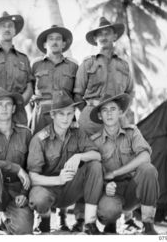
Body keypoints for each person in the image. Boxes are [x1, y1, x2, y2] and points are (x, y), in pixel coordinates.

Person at [27, 90, 103, 234]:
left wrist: (79, 157)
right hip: (49, 190)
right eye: (61, 114)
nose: (66, 118)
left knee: (95, 165)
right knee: (38, 197)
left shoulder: (78, 133)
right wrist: (59, 179)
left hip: (71, 190)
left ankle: (90, 223)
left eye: (69, 113)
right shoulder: (39, 139)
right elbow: (32, 177)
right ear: (52, 115)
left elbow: (97, 155)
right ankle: (45, 220)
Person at [89, 93, 159, 235]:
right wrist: (104, 185)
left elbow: (145, 156)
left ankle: (148, 225)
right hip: (109, 192)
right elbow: (91, 174)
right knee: (108, 210)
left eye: (113, 109)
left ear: (120, 112)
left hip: (132, 189)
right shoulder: (94, 142)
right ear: (100, 116)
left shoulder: (132, 132)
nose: (109, 114)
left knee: (148, 170)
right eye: (104, 110)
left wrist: (115, 173)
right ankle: (110, 224)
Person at [30, 25, 78, 231]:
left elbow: (77, 96)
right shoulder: (35, 65)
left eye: (59, 39)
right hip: (41, 115)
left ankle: (63, 217)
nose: (55, 42)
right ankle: (43, 217)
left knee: (64, 161)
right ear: (45, 43)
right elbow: (29, 92)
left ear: (64, 43)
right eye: (51, 39)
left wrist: (74, 119)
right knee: (40, 162)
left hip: (65, 114)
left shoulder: (73, 67)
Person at [0, 88, 33, 235]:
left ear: (14, 109)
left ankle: (6, 223)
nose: (4, 108)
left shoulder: (26, 134)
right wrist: (15, 168)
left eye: (8, 104)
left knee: (23, 230)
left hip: (17, 190)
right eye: (0, 104)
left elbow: (31, 167)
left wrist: (24, 193)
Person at [73, 17, 134, 137]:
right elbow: (77, 95)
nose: (103, 37)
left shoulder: (124, 65)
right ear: (95, 39)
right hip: (91, 119)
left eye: (107, 33)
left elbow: (130, 92)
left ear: (115, 36)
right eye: (100, 34)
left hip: (117, 118)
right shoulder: (88, 63)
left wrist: (120, 112)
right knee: (89, 154)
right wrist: (91, 112)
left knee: (119, 153)